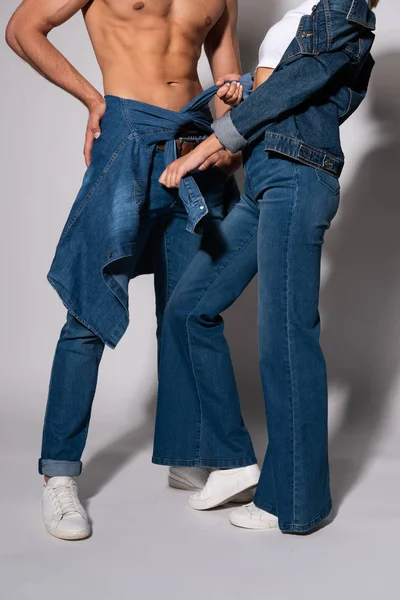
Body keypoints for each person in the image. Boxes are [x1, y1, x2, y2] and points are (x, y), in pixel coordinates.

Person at [5, 0, 247, 541]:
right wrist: (93, 99)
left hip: (194, 145)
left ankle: (190, 454)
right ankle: (59, 475)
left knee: (186, 311)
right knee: (89, 311)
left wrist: (229, 147)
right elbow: (22, 28)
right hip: (128, 137)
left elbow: (226, 76)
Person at [156, 0, 378, 533]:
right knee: (188, 310)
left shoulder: (347, 7)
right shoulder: (314, 10)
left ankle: (296, 502)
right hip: (263, 180)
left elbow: (303, 80)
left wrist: (213, 141)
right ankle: (234, 463)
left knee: (284, 336)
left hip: (297, 176)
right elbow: (287, 88)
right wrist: (244, 94)